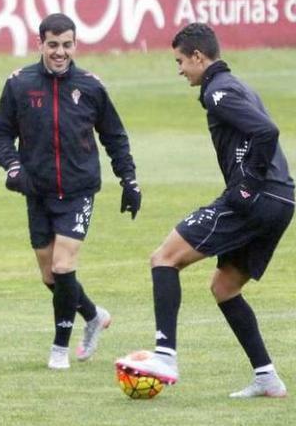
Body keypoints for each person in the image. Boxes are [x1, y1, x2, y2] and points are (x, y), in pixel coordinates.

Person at [116, 23, 293, 398]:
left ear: (199, 56)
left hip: (258, 198)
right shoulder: (237, 84)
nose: (179, 68)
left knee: (164, 258)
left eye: (180, 60)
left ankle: (164, 356)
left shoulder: (218, 92)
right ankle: (266, 377)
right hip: (282, 200)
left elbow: (266, 132)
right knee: (224, 287)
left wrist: (246, 186)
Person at [0, 13, 140, 370]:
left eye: (67, 45)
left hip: (78, 190)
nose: (60, 52)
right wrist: (12, 166)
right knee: (49, 276)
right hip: (37, 191)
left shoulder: (90, 86)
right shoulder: (19, 84)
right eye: (53, 45)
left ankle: (59, 349)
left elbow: (114, 136)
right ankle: (92, 314)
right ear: (39, 43)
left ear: (75, 44)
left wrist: (129, 179)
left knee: (63, 264)